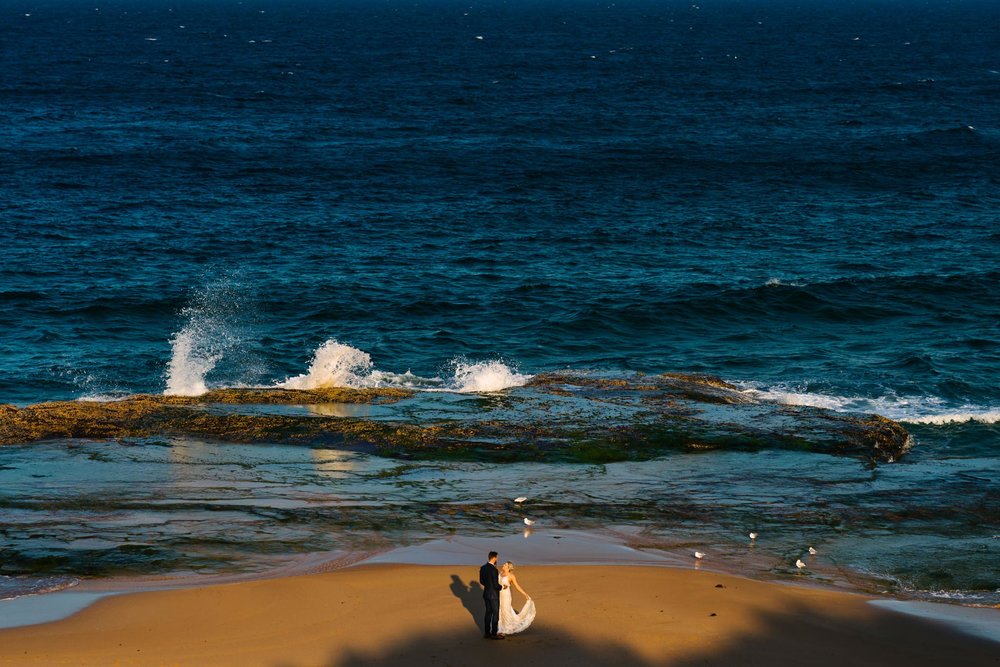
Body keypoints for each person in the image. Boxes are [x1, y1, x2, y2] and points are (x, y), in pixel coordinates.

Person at [498, 561, 535, 635]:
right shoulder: (500, 573)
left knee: (506, 611)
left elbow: (517, 586)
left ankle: (506, 629)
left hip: (506, 596)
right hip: (499, 594)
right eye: (504, 564)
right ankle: (500, 628)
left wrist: (525, 594)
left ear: (508, 568)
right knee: (499, 611)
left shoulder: (511, 576)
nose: (503, 565)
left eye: (505, 565)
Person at [479, 551, 505, 639]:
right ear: (494, 558)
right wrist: (502, 587)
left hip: (486, 594)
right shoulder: (494, 570)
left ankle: (487, 633)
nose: (497, 559)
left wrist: (488, 585)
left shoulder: (483, 568)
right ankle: (494, 634)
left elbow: (481, 581)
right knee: (495, 614)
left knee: (488, 613)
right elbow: (495, 585)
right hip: (493, 595)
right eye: (497, 557)